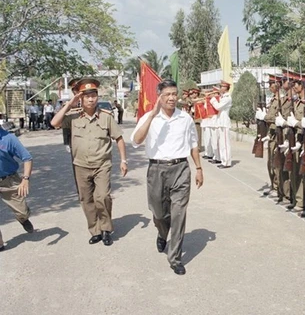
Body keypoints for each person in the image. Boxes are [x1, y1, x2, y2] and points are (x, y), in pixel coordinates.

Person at [131, 79, 203, 276]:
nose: (172, 98)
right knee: (159, 213)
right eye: (167, 95)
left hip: (180, 168)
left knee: (179, 213)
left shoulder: (185, 118)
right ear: (159, 97)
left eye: (174, 94)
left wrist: (198, 168)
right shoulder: (149, 117)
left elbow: (193, 144)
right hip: (157, 170)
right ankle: (162, 233)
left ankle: (175, 258)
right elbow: (136, 141)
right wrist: (152, 115)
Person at [51, 78, 128, 246]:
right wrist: (70, 103)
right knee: (86, 199)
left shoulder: (106, 117)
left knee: (102, 197)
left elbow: (119, 138)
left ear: (97, 97)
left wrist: (123, 160)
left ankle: (106, 229)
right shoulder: (73, 117)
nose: (91, 99)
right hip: (80, 165)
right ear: (81, 98)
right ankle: (95, 230)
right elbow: (54, 122)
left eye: (93, 96)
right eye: (87, 97)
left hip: (102, 165)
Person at [0, 125, 35, 251]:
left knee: (22, 211)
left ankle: (23, 218)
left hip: (8, 180)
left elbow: (27, 158)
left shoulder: (9, 138)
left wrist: (25, 179)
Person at [211, 80, 232, 168]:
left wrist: (213, 100)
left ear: (225, 88)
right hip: (220, 122)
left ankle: (226, 162)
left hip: (224, 122)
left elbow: (218, 107)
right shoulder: (223, 97)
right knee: (221, 144)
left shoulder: (227, 98)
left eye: (221, 87)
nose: (220, 88)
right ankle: (223, 160)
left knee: (225, 144)